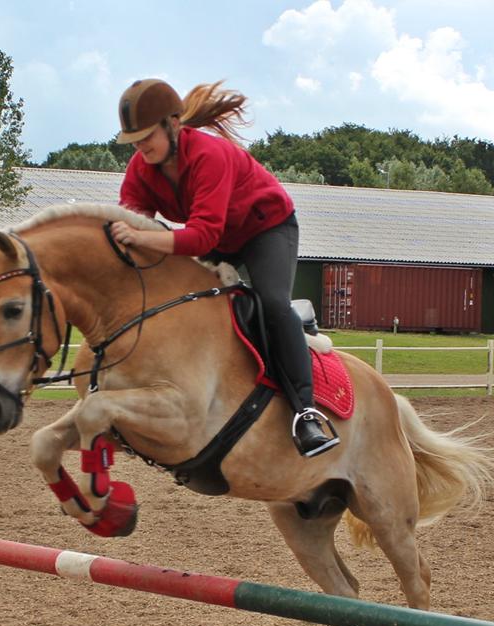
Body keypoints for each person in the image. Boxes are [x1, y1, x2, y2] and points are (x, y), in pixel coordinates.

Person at [108, 78, 339, 458]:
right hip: (220, 239)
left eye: (146, 135)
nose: (139, 145)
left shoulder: (207, 155)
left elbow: (200, 236)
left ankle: (306, 414)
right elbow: (133, 221)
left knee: (270, 302)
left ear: (172, 125)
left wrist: (144, 238)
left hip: (266, 228)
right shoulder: (141, 167)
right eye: (133, 139)